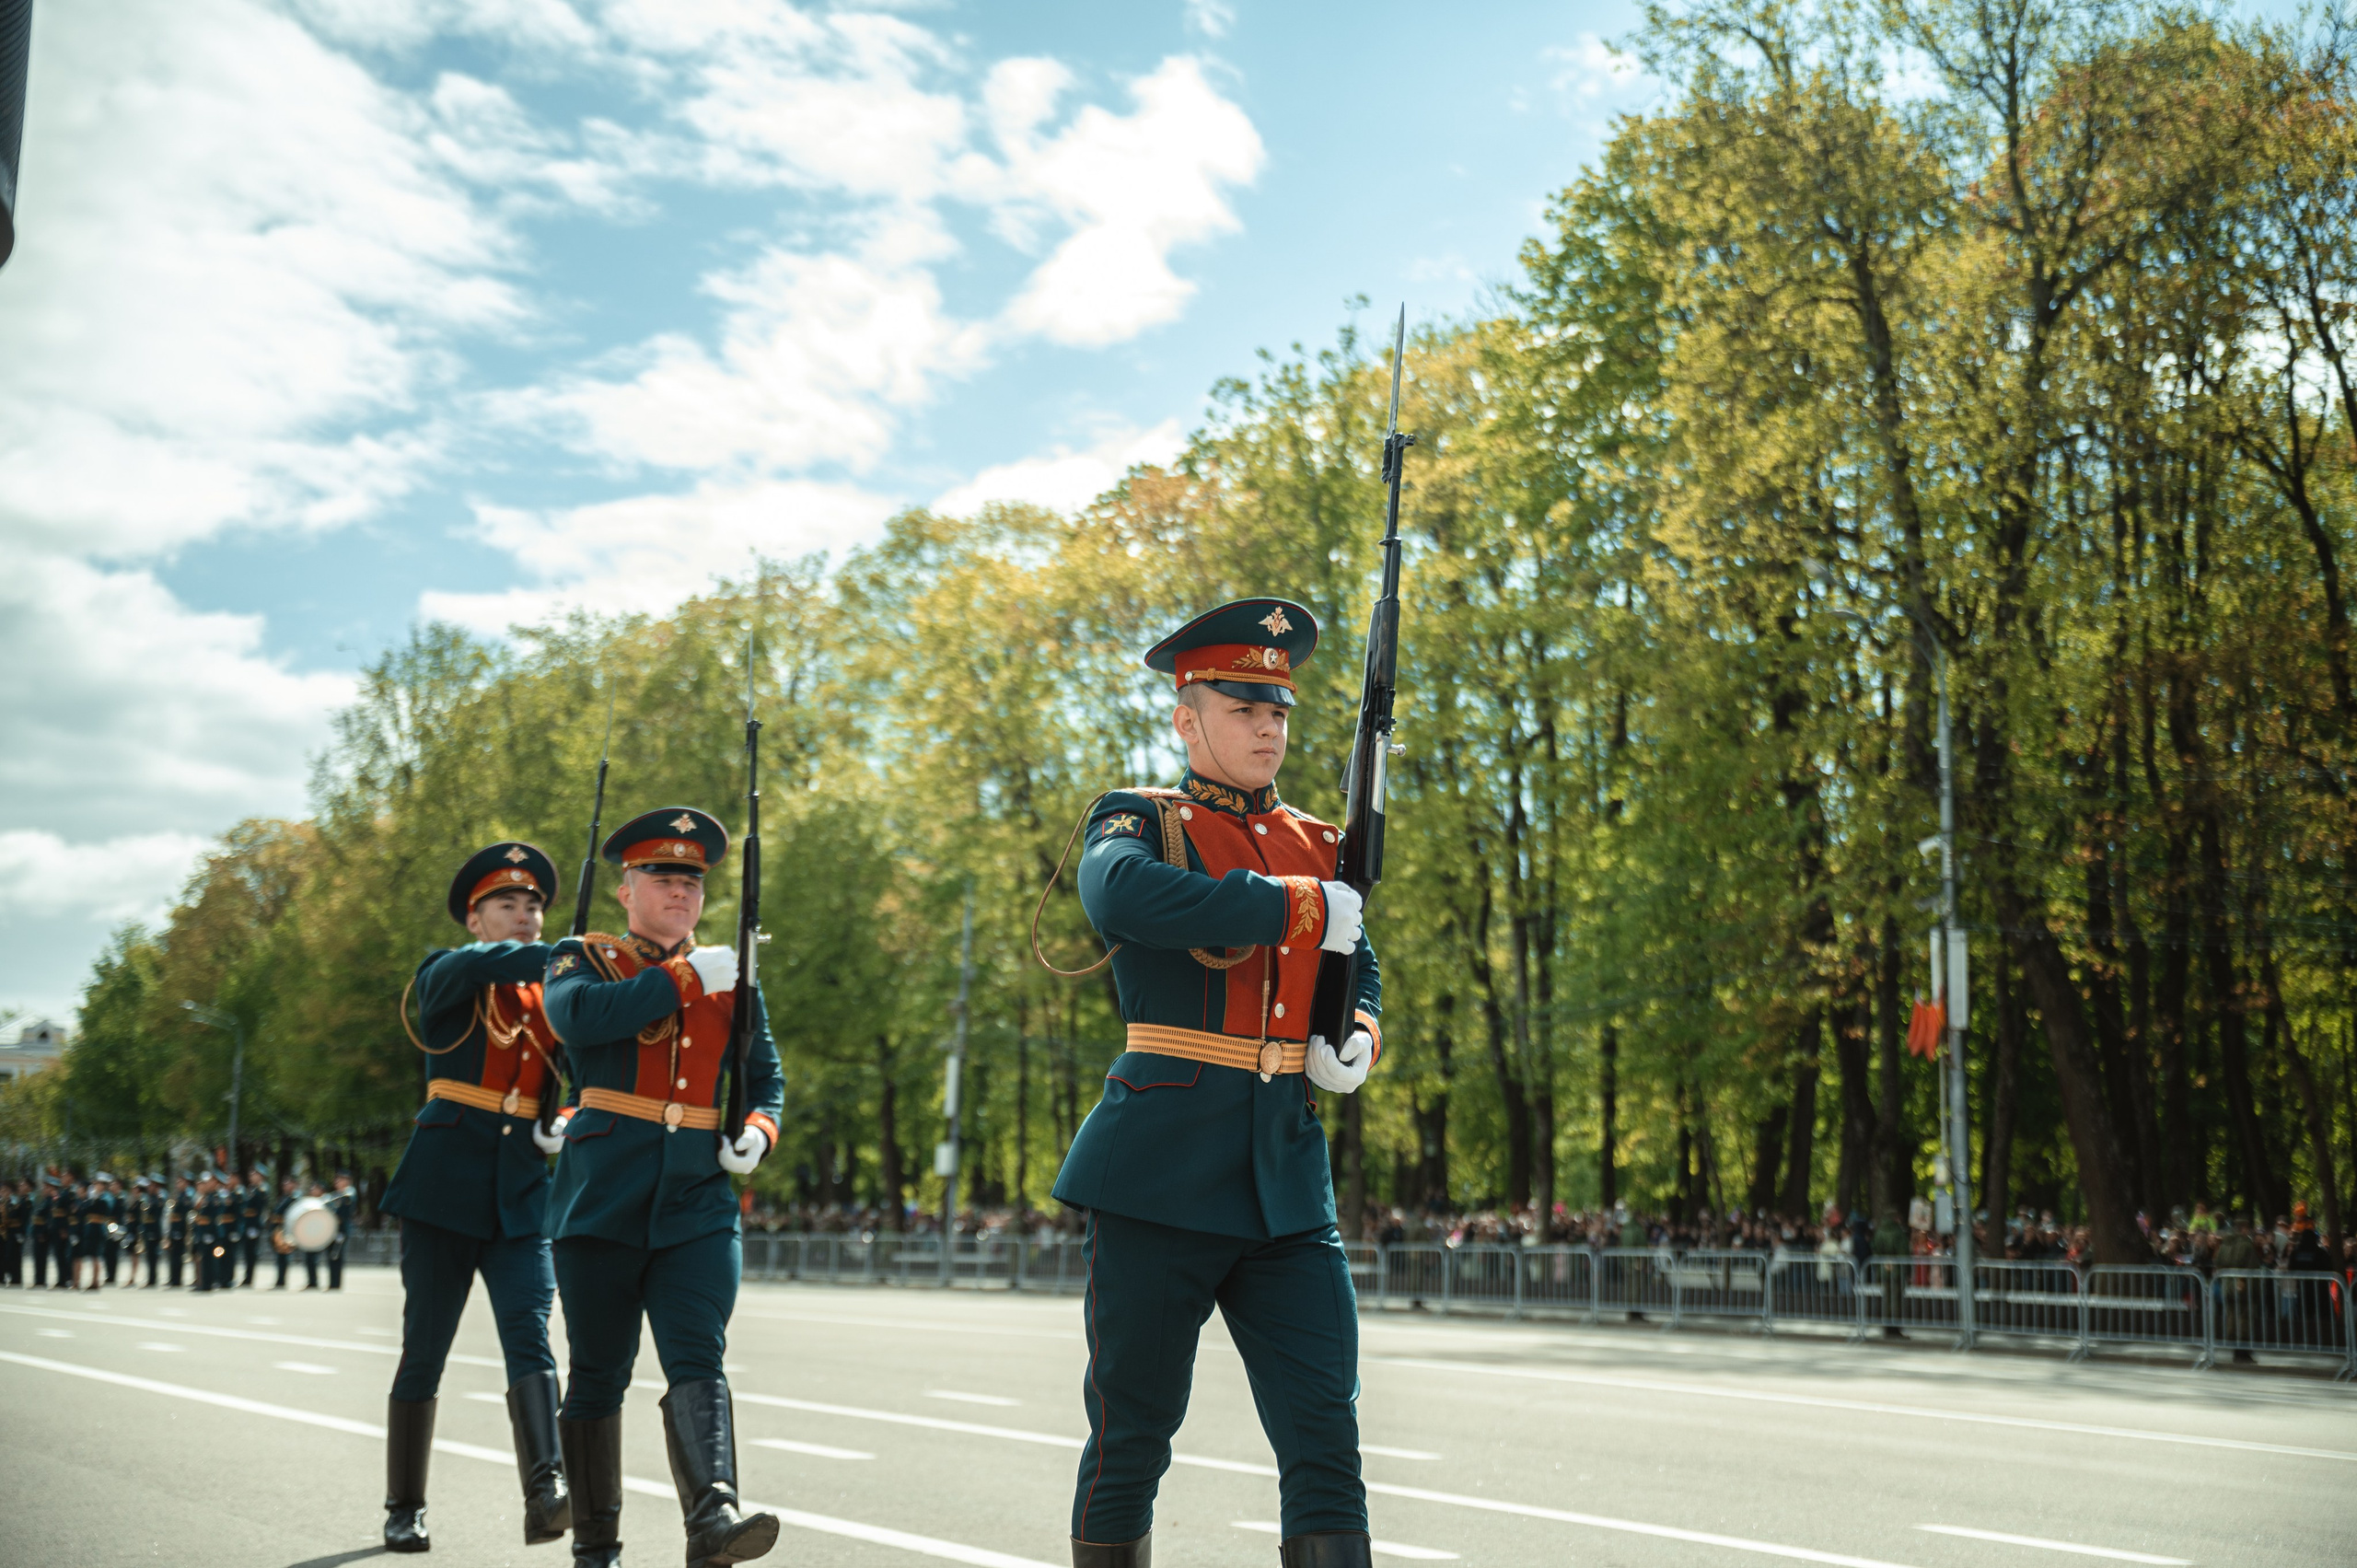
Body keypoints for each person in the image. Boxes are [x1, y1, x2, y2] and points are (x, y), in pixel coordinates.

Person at [1047, 600, 1384, 1568]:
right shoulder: (1140, 818)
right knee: (1133, 1430)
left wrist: (1355, 1028)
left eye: (1278, 709)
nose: (1269, 726)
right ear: (1186, 719)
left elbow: (1359, 963)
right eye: (1243, 707)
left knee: (1326, 1433)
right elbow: (1120, 895)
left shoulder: (1323, 844)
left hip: (1285, 1173)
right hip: (1158, 1173)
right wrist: (1288, 903)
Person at [542, 807, 784, 1568]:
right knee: (598, 1374)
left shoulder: (732, 977)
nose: (680, 891)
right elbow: (580, 1021)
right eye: (663, 877)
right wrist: (685, 975)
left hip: (697, 1204)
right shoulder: (580, 957)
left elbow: (768, 1077)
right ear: (626, 889)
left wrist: (756, 1129)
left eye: (691, 881)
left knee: (697, 1356)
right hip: (601, 1201)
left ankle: (713, 1518)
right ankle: (595, 1546)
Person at [376, 841, 574, 1555]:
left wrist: (563, 1122)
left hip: (520, 1192)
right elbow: (507, 962)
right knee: (425, 1348)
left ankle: (545, 1490)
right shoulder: (449, 969)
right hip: (443, 1188)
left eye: (534, 906)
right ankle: (404, 1504)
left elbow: (585, 1079)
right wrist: (570, 951)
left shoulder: (553, 992)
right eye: (507, 905)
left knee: (531, 1336)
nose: (524, 916)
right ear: (474, 918)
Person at [327, 1173, 357, 1290]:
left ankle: (336, 1283)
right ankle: (333, 1282)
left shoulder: (348, 1195)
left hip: (341, 1230)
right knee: (332, 1256)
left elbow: (342, 1214)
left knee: (336, 1255)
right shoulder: (338, 1195)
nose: (337, 1183)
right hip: (334, 1229)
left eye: (340, 1180)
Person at [270, 1177, 299, 1289]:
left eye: (289, 1183)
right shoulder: (284, 1197)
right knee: (279, 1257)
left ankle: (282, 1280)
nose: (286, 1185)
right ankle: (280, 1279)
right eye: (285, 1183)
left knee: (284, 1256)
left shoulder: (294, 1198)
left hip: (285, 1229)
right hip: (279, 1230)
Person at [166, 1177, 192, 1288]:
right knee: (173, 1256)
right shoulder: (177, 1196)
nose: (178, 1184)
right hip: (174, 1230)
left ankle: (177, 1279)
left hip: (180, 1231)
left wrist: (182, 1231)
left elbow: (185, 1217)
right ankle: (173, 1278)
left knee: (177, 1257)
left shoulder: (186, 1198)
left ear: (185, 1183)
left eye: (180, 1182)